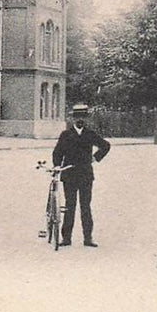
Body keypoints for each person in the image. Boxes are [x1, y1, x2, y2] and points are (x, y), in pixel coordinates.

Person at [53, 104, 111, 247]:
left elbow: (106, 145)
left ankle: (88, 238)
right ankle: (66, 238)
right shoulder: (65, 135)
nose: (80, 120)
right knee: (69, 206)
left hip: (85, 175)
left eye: (83, 118)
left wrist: (95, 158)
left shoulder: (90, 134)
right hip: (69, 174)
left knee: (86, 206)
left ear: (86, 119)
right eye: (78, 117)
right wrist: (57, 165)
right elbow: (57, 152)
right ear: (73, 119)